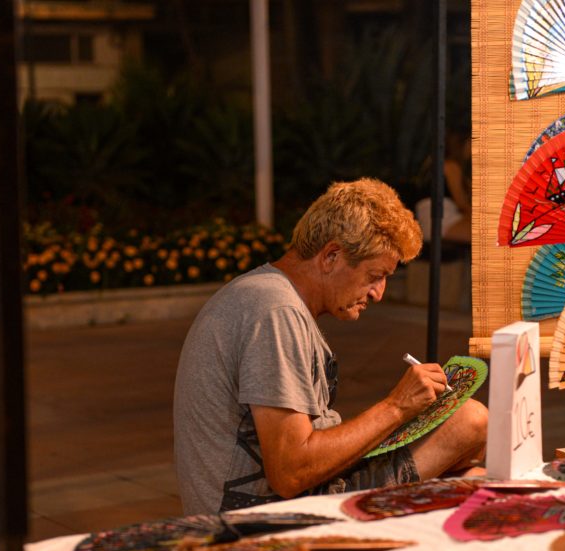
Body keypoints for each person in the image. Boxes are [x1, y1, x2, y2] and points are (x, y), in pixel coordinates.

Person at [172, 178, 487, 515]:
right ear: (332, 256)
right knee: (469, 422)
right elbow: (291, 473)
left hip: (273, 497)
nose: (378, 293)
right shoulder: (275, 312)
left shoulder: (268, 296)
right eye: (374, 275)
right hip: (256, 517)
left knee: (470, 473)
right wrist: (397, 407)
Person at [414, 129, 472, 245]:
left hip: (433, 221)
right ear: (461, 145)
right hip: (440, 221)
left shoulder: (436, 166)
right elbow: (462, 203)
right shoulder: (450, 167)